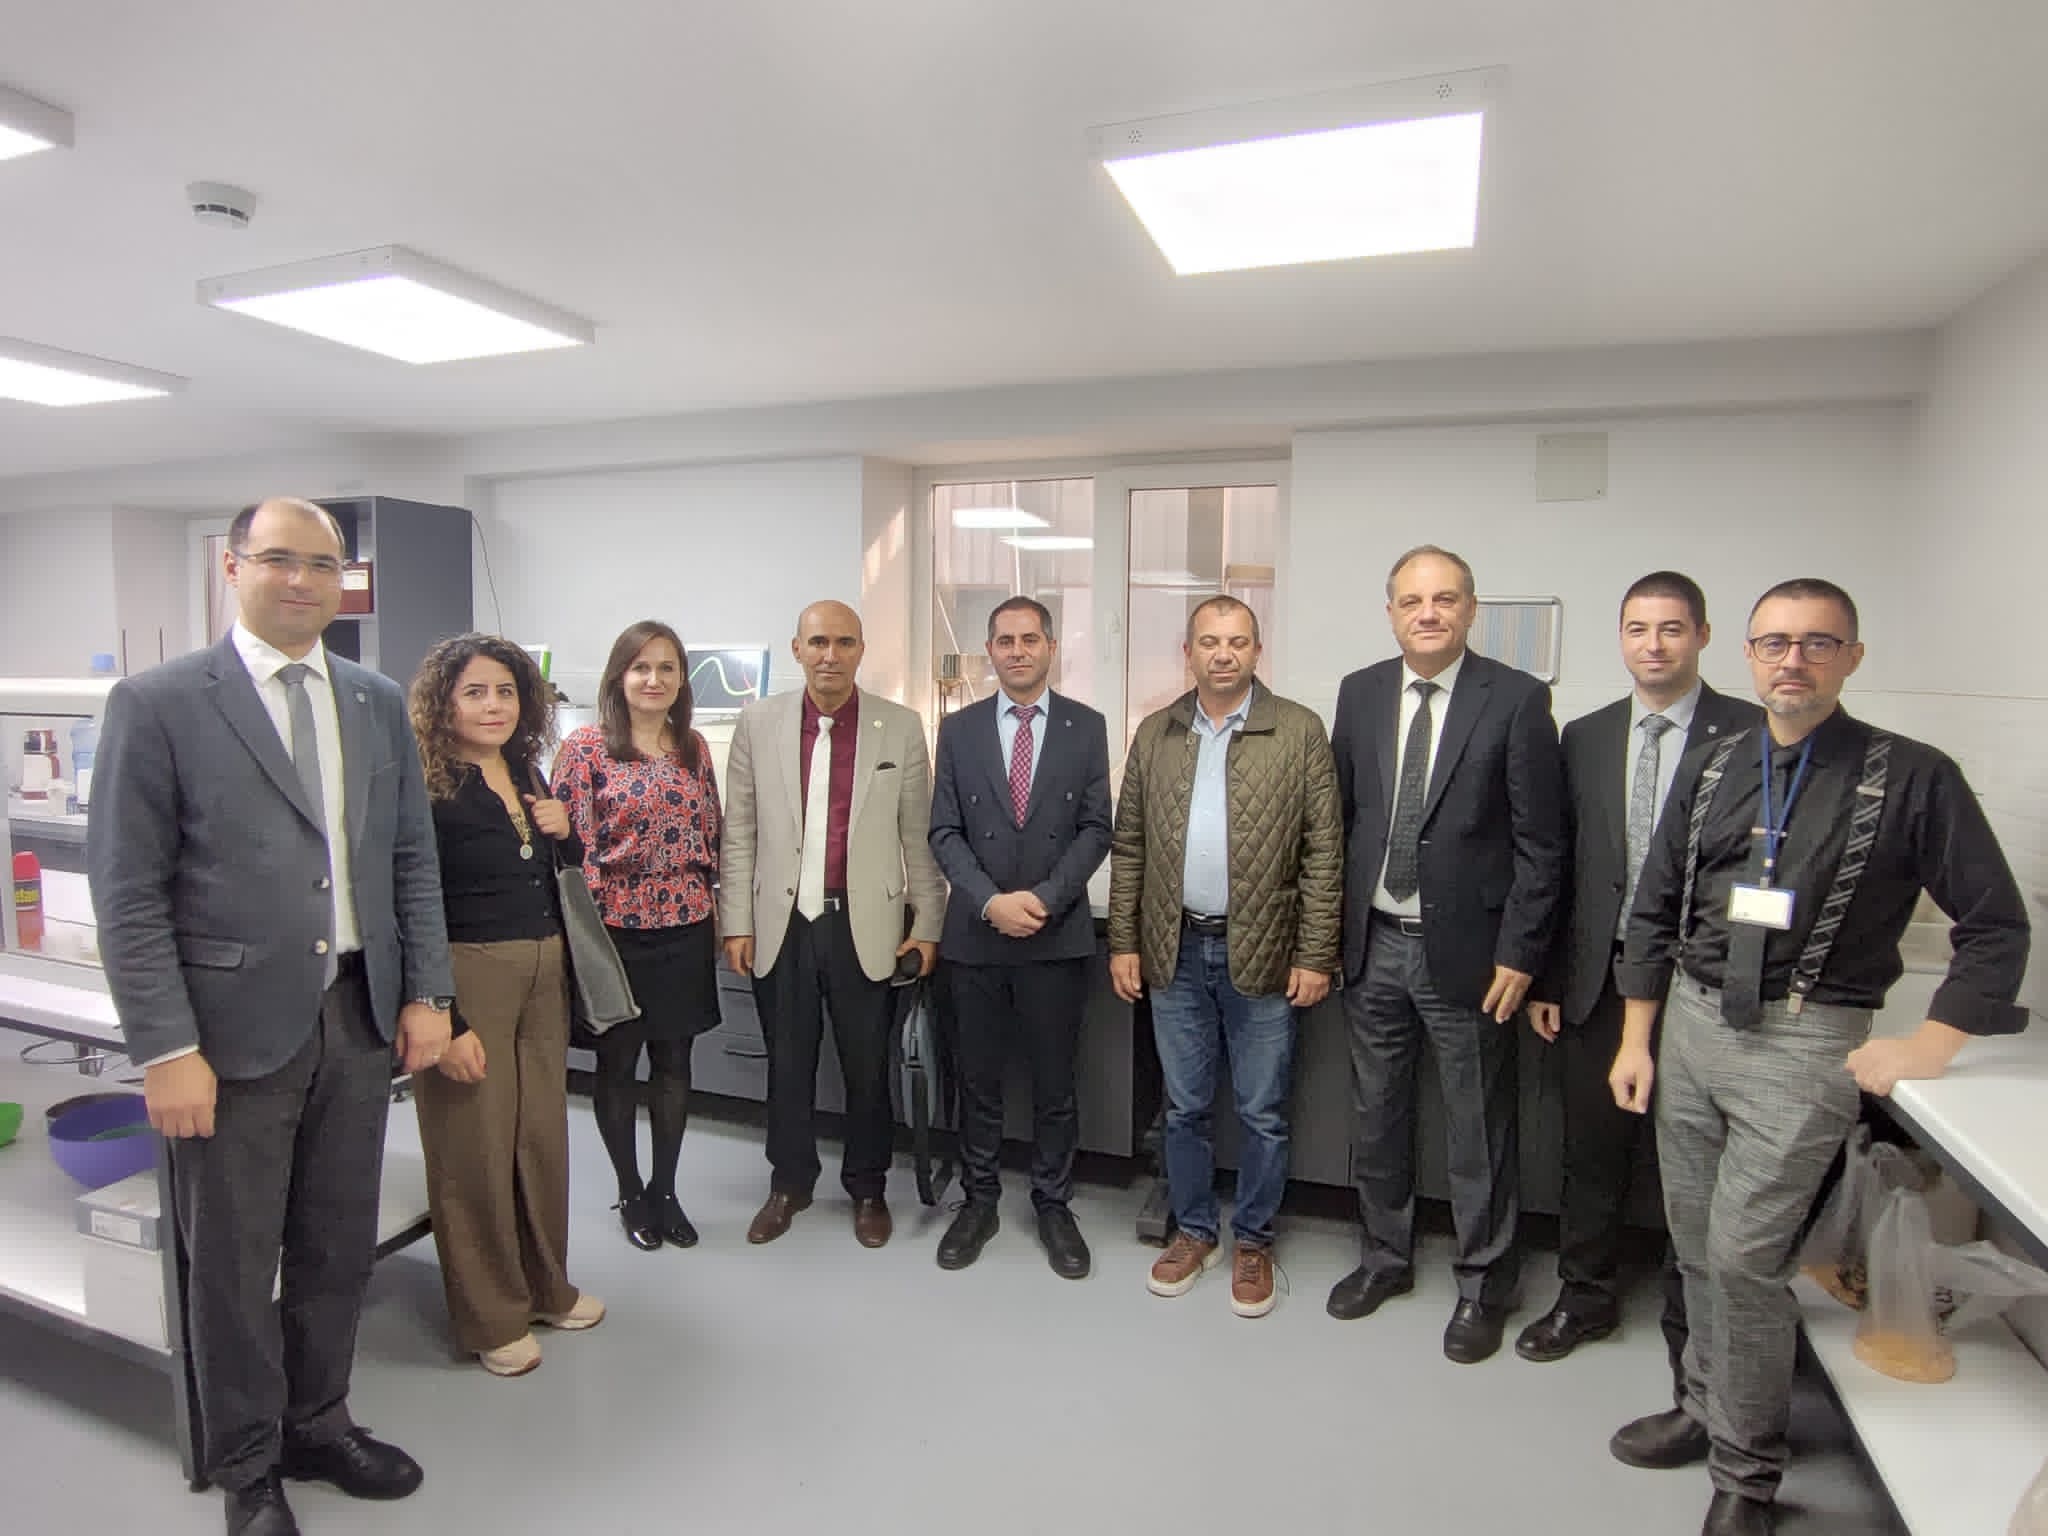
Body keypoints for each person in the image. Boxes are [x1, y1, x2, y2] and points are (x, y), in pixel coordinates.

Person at [1605, 578, 2029, 1536]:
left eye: (1816, 643)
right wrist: (1636, 1039)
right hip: (1691, 1025)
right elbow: (1654, 907)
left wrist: (1929, 1045)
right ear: (1748, 655)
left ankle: (1747, 1475)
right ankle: (1704, 1407)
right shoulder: (1714, 765)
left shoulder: (1913, 776)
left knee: (1746, 1260)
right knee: (1695, 1247)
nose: (1791, 661)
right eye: (1775, 643)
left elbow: (1996, 926)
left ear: (1852, 657)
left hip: (1805, 1039)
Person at [88, 497, 453, 1536]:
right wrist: (165, 1046)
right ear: (233, 567)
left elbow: (409, 859)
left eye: (323, 565)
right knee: (235, 1261)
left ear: (344, 581)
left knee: (338, 1245)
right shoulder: (159, 703)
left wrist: (427, 992)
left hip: (357, 1015)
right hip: (227, 1032)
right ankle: (246, 1466)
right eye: (279, 560)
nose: (301, 581)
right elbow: (129, 892)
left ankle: (319, 1423)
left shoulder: (373, 700)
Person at [1325, 544, 1566, 1364]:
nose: (1428, 613)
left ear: (1470, 609)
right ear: (1391, 612)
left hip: (1473, 958)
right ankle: (1383, 1259)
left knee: (1477, 1131)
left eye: (1444, 599)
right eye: (1412, 600)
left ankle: (1484, 1285)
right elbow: (1344, 822)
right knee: (1376, 1117)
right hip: (1374, 947)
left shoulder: (1518, 699)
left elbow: (1542, 845)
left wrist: (1522, 953)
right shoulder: (1360, 693)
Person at [1518, 573, 1760, 1372]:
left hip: (1706, 986)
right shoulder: (1585, 736)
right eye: (1637, 629)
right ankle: (1583, 1298)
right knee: (1591, 1154)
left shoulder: (1751, 732)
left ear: (1703, 636)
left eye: (1671, 629)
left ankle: (1694, 1324)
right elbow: (1563, 863)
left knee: (1701, 1167)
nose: (1653, 645)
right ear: (1621, 638)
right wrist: (1550, 977)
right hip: (1599, 980)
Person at [1108, 595, 1341, 1318]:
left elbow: (1324, 852)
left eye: (1237, 641)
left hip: (1265, 951)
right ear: (1188, 652)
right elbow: (1129, 846)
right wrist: (1124, 941)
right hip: (1174, 949)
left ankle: (1255, 1240)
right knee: (1184, 1108)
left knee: (1262, 1111)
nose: (1223, 654)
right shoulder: (1157, 732)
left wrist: (1316, 954)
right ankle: (1195, 1231)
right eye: (1209, 641)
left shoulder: (1299, 730)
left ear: (1256, 650)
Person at [406, 634, 605, 1378]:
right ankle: (491, 1314)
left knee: (540, 1136)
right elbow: (410, 903)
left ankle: (547, 1288)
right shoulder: (424, 783)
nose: (494, 706)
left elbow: (552, 870)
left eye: (506, 691)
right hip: (469, 974)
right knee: (474, 1147)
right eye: (475, 692)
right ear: (443, 704)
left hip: (544, 968)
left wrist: (567, 834)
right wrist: (444, 1015)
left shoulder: (524, 768)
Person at [719, 600, 947, 1248]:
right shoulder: (758, 722)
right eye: (818, 642)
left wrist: (928, 923)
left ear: (860, 650)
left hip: (865, 925)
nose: (830, 655)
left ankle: (868, 1188)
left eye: (844, 642)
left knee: (867, 1070)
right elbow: (740, 831)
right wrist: (736, 920)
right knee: (787, 1066)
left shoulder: (898, 726)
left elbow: (919, 836)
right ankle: (789, 1183)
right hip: (782, 923)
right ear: (797, 649)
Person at [927, 596, 1112, 1278]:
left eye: (1030, 638)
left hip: (1054, 937)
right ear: (990, 651)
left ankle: (1053, 1204)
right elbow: (943, 829)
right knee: (976, 1082)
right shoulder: (959, 729)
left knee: (1055, 1085)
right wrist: (989, 902)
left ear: (1051, 647)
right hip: (976, 939)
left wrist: (1044, 898)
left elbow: (1096, 827)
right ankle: (978, 1202)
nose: (1018, 651)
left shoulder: (1086, 727)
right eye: (1005, 640)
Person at [551, 620, 723, 1252]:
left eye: (667, 668)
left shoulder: (694, 747)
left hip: (685, 923)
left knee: (675, 1063)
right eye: (641, 667)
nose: (654, 679)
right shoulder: (586, 749)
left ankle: (666, 1191)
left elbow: (712, 833)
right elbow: (570, 850)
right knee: (618, 1064)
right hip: (614, 932)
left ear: (681, 679)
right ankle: (630, 1191)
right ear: (619, 677)